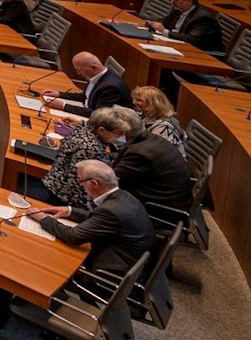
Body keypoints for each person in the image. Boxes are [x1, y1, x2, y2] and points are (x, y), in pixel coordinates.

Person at [26, 159, 155, 275]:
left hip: (112, 270)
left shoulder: (111, 210)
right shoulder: (124, 196)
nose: (81, 185)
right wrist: (70, 211)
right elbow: (100, 219)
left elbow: (73, 236)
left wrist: (43, 218)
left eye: (81, 181)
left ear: (94, 183)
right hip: (134, 258)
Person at [98, 104, 192, 210]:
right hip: (170, 198)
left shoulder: (139, 153)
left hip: (160, 209)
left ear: (124, 132)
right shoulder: (151, 138)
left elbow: (111, 182)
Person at [39, 112, 114, 209]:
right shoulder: (91, 148)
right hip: (68, 197)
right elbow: (82, 181)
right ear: (102, 130)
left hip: (56, 182)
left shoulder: (82, 131)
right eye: (119, 133)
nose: (121, 136)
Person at [42, 53, 130, 117]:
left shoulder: (110, 87)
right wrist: (59, 94)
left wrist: (64, 106)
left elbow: (98, 115)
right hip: (86, 109)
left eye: (80, 70)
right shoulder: (96, 76)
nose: (78, 73)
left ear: (93, 67)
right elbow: (86, 97)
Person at [152, 0, 224, 54]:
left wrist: (165, 31)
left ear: (189, 1)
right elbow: (165, 20)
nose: (172, 2)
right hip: (178, 45)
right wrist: (155, 25)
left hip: (199, 52)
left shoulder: (203, 18)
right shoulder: (178, 9)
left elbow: (191, 39)